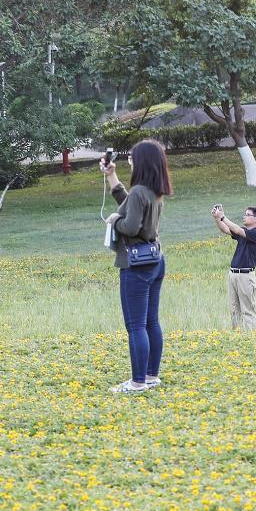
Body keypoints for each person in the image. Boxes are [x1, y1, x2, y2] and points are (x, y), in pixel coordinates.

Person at [102, 140, 173, 393]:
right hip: (155, 260)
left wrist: (114, 221)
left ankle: (137, 382)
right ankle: (151, 375)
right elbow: (130, 204)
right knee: (151, 321)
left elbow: (130, 225)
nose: (129, 159)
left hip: (137, 266)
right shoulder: (153, 190)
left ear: (142, 161)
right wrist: (112, 178)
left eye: (132, 156)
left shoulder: (140, 191)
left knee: (136, 325)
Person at [213, 204, 256, 331]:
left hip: (245, 276)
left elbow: (236, 229)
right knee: (234, 310)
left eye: (247, 215)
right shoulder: (243, 233)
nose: (244, 216)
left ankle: (251, 338)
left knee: (248, 310)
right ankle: (238, 338)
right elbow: (225, 229)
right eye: (245, 214)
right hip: (234, 275)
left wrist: (223, 217)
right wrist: (217, 218)